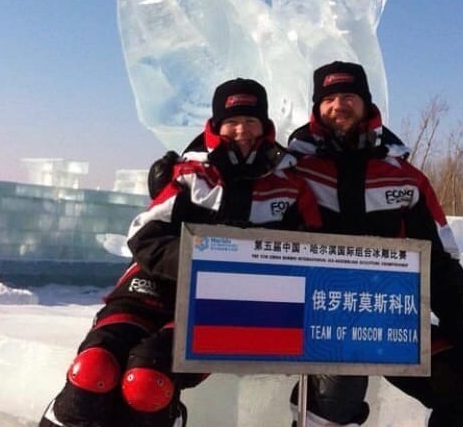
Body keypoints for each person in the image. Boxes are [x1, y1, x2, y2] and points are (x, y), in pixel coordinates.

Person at [41, 78, 321, 427]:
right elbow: (145, 234)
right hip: (152, 286)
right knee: (94, 367)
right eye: (232, 121)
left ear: (265, 126)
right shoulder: (191, 174)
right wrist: (195, 266)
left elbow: (311, 252)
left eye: (250, 121)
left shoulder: (289, 185)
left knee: (147, 382)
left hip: (225, 305)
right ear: (217, 125)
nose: (242, 130)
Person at [279, 61, 463, 427]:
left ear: (366, 103)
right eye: (331, 98)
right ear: (317, 107)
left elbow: (437, 259)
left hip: (389, 323)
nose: (340, 105)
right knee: (341, 381)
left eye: (349, 96)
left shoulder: (405, 179)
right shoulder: (290, 171)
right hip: (313, 323)